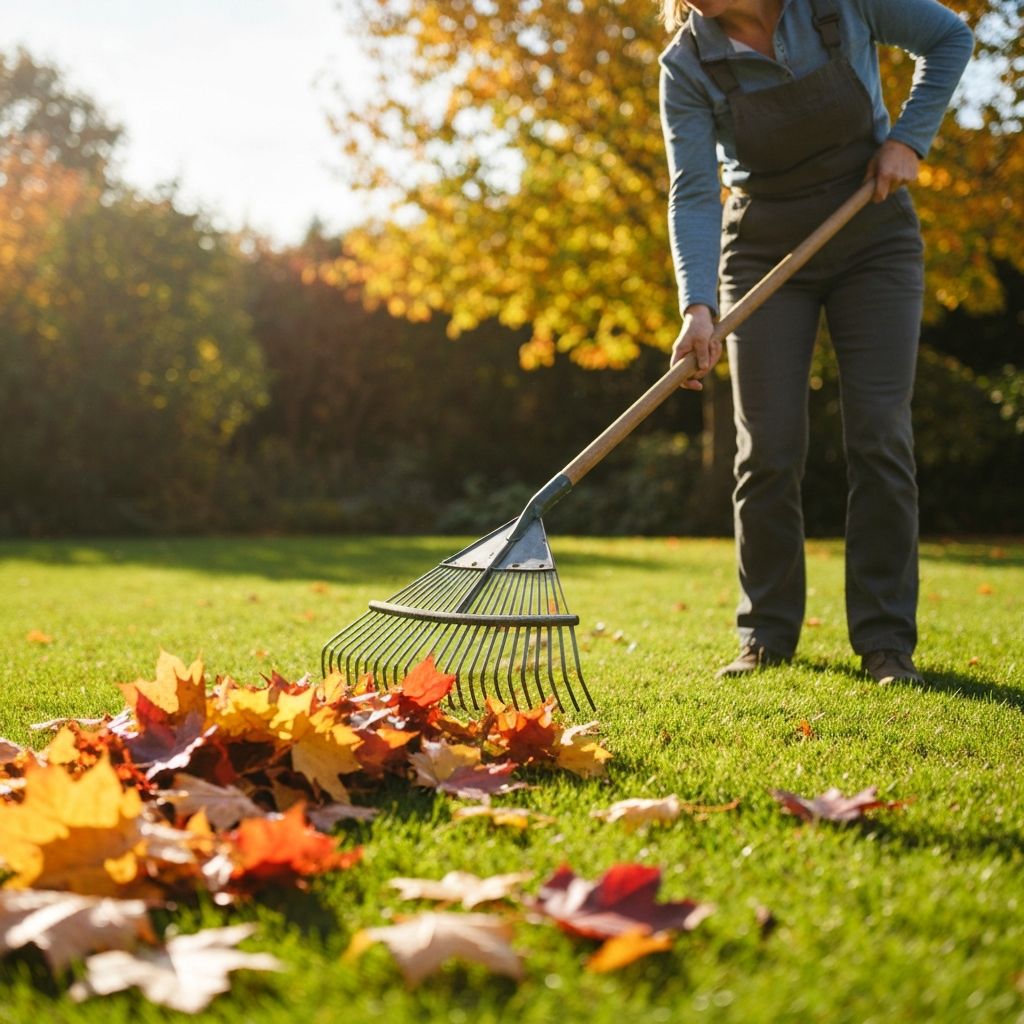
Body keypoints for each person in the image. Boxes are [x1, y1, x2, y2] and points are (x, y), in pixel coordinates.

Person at [657, 0, 973, 683]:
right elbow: (692, 191)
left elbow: (949, 37)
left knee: (880, 435)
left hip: (873, 227)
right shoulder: (687, 64)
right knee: (767, 447)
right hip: (763, 248)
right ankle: (766, 636)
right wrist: (700, 306)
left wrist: (908, 138)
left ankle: (886, 642)